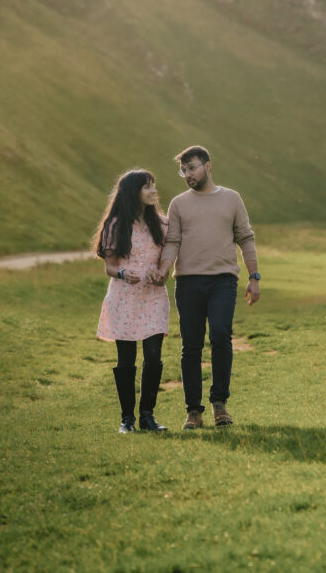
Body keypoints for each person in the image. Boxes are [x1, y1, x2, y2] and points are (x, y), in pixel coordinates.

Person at [155, 145, 260, 429]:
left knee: (221, 335)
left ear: (208, 166)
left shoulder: (232, 199)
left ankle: (219, 404)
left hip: (223, 280)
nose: (188, 174)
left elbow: (245, 238)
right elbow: (172, 241)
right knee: (191, 345)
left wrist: (254, 277)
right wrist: (164, 268)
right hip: (187, 281)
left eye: (192, 168)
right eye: (183, 171)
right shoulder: (178, 204)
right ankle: (193, 411)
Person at [94, 169, 170, 433]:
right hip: (124, 298)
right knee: (126, 358)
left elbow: (167, 260)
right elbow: (110, 267)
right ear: (132, 192)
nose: (153, 191)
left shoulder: (163, 224)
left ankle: (147, 416)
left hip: (154, 297)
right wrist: (124, 273)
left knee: (153, 354)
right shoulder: (115, 226)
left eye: (153, 185)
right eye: (147, 186)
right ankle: (127, 419)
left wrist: (163, 274)